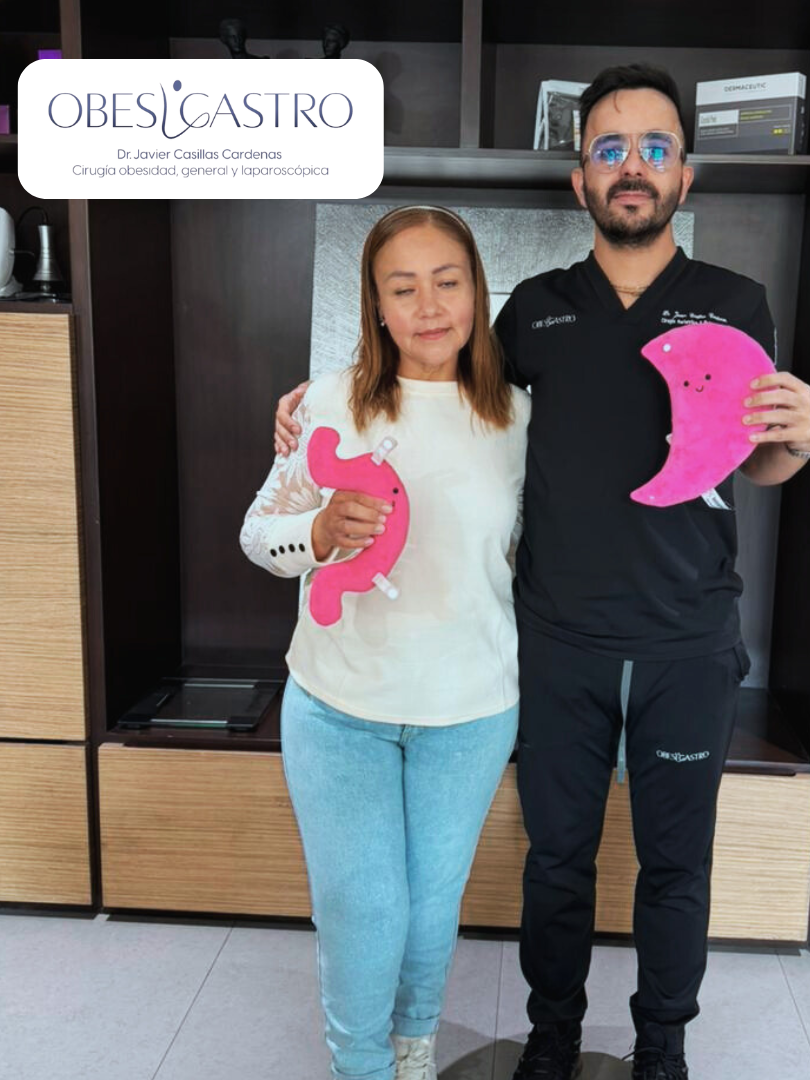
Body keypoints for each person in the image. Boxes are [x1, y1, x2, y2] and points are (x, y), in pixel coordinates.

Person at [274, 65, 810, 1080]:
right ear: (581, 180)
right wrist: (318, 403)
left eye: (654, 148)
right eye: (610, 148)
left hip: (688, 639)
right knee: (558, 859)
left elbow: (754, 458)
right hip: (559, 641)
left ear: (685, 174)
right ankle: (554, 1038)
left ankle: (663, 1048)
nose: (632, 166)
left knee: (675, 865)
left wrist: (805, 437)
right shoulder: (536, 310)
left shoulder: (734, 304)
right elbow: (446, 391)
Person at [244, 204, 530, 1080]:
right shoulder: (329, 402)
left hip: (469, 710)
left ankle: (413, 1050)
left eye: (447, 282)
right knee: (363, 907)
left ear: (478, 290)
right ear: (375, 304)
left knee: (430, 906)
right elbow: (258, 535)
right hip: (339, 704)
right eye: (402, 288)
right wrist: (318, 532)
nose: (428, 306)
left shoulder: (521, 419)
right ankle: (360, 1065)